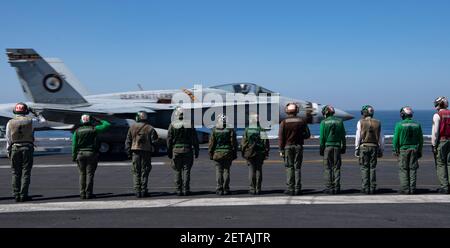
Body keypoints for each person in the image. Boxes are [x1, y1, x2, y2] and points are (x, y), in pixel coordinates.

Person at [5, 102, 47, 202]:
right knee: (26, 173)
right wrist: (36, 113)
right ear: (26, 111)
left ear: (15, 111)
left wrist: (8, 151)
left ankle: (16, 194)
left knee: (15, 172)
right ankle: (23, 195)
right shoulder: (31, 121)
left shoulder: (10, 122)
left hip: (15, 148)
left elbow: (8, 138)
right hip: (27, 148)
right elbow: (43, 121)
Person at [72, 114, 111, 199]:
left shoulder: (77, 131)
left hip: (80, 154)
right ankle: (89, 193)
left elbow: (74, 145)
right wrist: (98, 120)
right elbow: (107, 124)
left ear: (81, 121)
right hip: (91, 154)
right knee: (90, 174)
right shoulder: (95, 129)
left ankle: (82, 194)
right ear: (90, 120)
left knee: (82, 174)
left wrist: (74, 156)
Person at [279, 103, 311, 196]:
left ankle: (290, 188)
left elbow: (281, 138)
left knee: (289, 167)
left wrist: (281, 150)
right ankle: (298, 188)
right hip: (298, 147)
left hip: (287, 147)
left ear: (287, 111)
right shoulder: (302, 121)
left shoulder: (283, 122)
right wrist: (300, 136)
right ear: (296, 111)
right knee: (297, 168)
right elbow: (307, 135)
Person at [125, 111, 159, 198]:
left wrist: (129, 153)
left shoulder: (132, 127)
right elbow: (155, 142)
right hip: (146, 152)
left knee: (136, 171)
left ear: (138, 118)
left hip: (135, 152)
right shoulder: (150, 128)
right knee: (145, 171)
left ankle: (137, 191)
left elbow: (128, 141)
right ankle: (144, 190)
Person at [167, 107, 199, 196]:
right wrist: (196, 150)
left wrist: (169, 151)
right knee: (187, 170)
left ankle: (178, 190)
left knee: (177, 170)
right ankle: (186, 189)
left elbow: (169, 139)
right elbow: (194, 139)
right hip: (188, 150)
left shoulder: (172, 124)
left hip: (176, 150)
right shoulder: (189, 124)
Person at [392, 106, 423, 194]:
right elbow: (421, 139)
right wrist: (420, 150)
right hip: (414, 149)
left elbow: (395, 139)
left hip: (403, 150)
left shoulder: (399, 125)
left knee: (404, 169)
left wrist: (395, 149)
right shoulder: (417, 125)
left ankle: (405, 189)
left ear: (402, 114)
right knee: (413, 169)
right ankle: (412, 189)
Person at [355, 105, 384, 194]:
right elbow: (381, 138)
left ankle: (365, 187)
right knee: (372, 168)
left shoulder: (361, 122)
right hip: (374, 147)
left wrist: (356, 148)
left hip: (364, 147)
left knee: (364, 168)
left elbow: (358, 136)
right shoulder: (378, 122)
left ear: (364, 112)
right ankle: (372, 188)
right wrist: (381, 149)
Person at [208, 114, 238, 195]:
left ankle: (219, 188)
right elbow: (234, 143)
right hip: (228, 153)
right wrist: (234, 153)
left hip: (217, 153)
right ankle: (226, 188)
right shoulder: (230, 129)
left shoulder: (214, 130)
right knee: (226, 171)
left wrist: (210, 153)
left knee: (219, 171)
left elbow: (211, 143)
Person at [319, 105, 346, 194]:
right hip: (337, 147)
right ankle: (337, 187)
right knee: (336, 168)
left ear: (326, 113)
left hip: (328, 147)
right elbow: (343, 136)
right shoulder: (340, 121)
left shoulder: (323, 122)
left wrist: (321, 149)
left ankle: (329, 187)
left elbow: (322, 138)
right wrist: (344, 147)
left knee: (328, 168)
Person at [241, 113, 270, 195]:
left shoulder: (247, 129)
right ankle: (258, 188)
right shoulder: (262, 129)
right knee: (259, 170)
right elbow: (265, 142)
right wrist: (266, 152)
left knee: (251, 170)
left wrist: (243, 152)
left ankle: (252, 188)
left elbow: (243, 143)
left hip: (250, 152)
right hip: (260, 152)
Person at [431, 96, 450, 194]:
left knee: (441, 164)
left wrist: (434, 144)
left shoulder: (437, 115)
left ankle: (445, 186)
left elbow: (435, 132)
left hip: (442, 141)